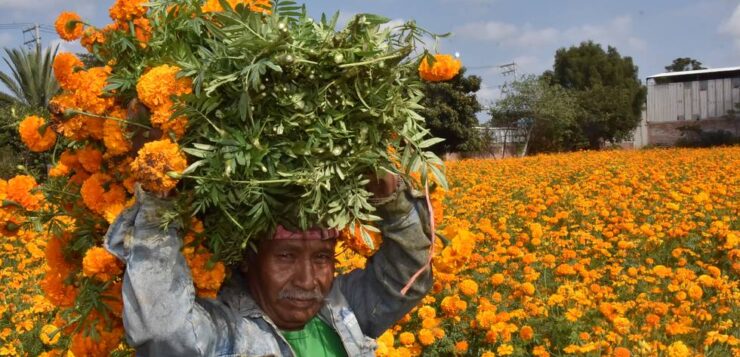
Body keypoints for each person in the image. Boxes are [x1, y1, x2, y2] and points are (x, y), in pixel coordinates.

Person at [104, 173, 434, 356]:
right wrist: (160, 195)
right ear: (248, 258)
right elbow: (164, 334)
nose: (308, 281)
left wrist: (392, 203)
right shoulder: (226, 332)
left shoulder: (340, 309)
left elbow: (408, 277)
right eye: (286, 256)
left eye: (322, 257)